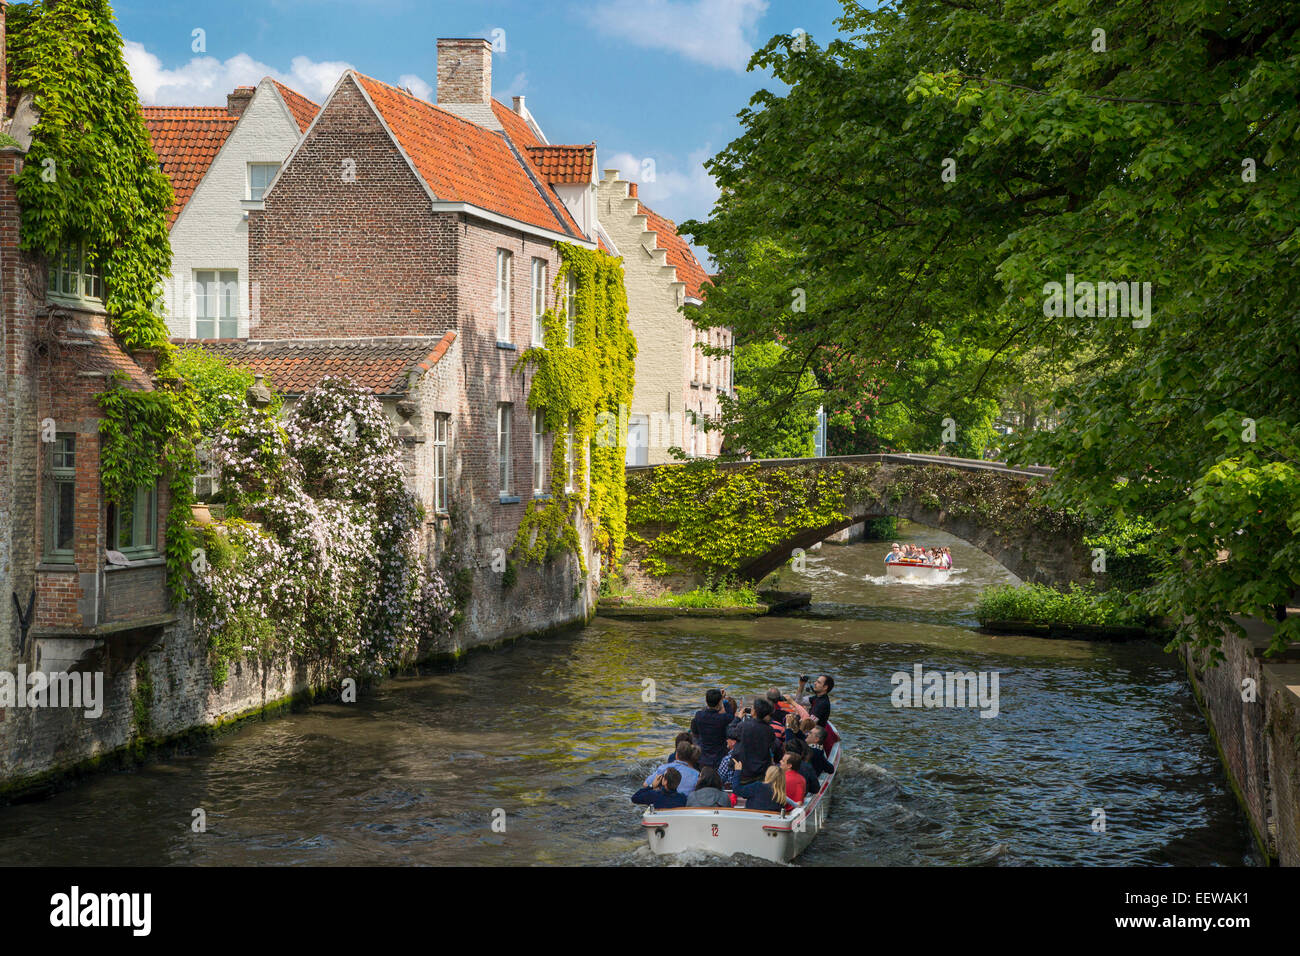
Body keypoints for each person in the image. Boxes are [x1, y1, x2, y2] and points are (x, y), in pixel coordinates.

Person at [727, 698, 776, 785]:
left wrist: (737, 718)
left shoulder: (744, 726)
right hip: (761, 772)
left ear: (754, 712)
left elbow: (730, 732)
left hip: (743, 771)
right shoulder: (769, 730)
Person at [691, 688, 737, 769]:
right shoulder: (723, 719)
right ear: (719, 703)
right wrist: (724, 701)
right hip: (719, 758)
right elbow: (731, 716)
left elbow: (706, 711)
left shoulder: (699, 715)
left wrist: (719, 699)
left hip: (703, 757)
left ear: (706, 701)